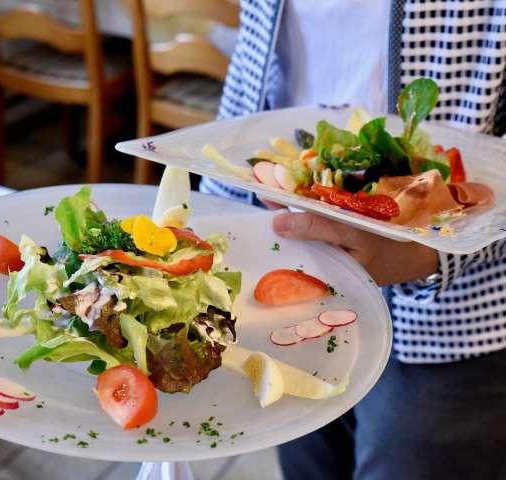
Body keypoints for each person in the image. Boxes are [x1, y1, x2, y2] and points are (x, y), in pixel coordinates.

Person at [201, 1, 506, 478]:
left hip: (456, 321)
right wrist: (216, 220)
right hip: (293, 277)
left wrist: (434, 252)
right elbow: (254, 69)